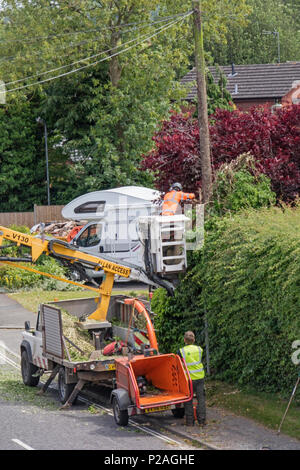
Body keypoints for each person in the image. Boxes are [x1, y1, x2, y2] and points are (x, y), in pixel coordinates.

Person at [178, 330, 206, 427]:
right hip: (200, 377)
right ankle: (202, 421)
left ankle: (190, 422)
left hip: (189, 379)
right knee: (201, 399)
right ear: (194, 339)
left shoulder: (181, 351)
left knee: (188, 400)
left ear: (185, 340)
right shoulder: (199, 349)